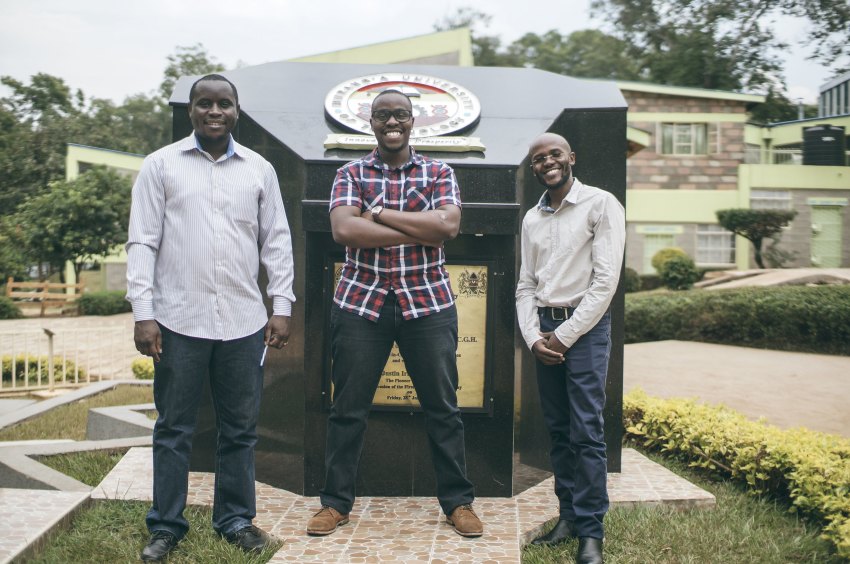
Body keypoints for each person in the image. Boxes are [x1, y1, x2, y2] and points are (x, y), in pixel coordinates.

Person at [126, 74, 295, 562]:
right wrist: (144, 313)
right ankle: (166, 526)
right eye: (205, 103)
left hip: (243, 321)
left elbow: (276, 240)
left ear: (237, 110)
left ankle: (235, 520)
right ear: (192, 110)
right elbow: (143, 242)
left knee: (240, 429)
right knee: (174, 428)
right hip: (177, 320)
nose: (214, 112)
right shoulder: (160, 165)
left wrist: (281, 306)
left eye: (224, 104)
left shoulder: (259, 169)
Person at [305, 89, 483, 538]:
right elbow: (345, 229)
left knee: (443, 408)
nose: (392, 122)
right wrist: (419, 229)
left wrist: (380, 214)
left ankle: (458, 503)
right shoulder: (349, 172)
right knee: (347, 408)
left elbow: (447, 226)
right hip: (361, 304)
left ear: (412, 121)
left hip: (428, 304)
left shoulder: (439, 171)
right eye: (382, 115)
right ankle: (335, 503)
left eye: (400, 114)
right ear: (370, 121)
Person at [516, 133, 625, 564]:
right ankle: (568, 518)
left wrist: (565, 335)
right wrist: (533, 337)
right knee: (559, 430)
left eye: (554, 154)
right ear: (533, 168)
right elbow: (526, 284)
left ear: (571, 158)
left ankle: (591, 532)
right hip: (544, 330)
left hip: (586, 329)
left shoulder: (601, 204)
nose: (547, 162)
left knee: (587, 430)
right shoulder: (532, 218)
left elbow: (605, 282)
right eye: (538, 158)